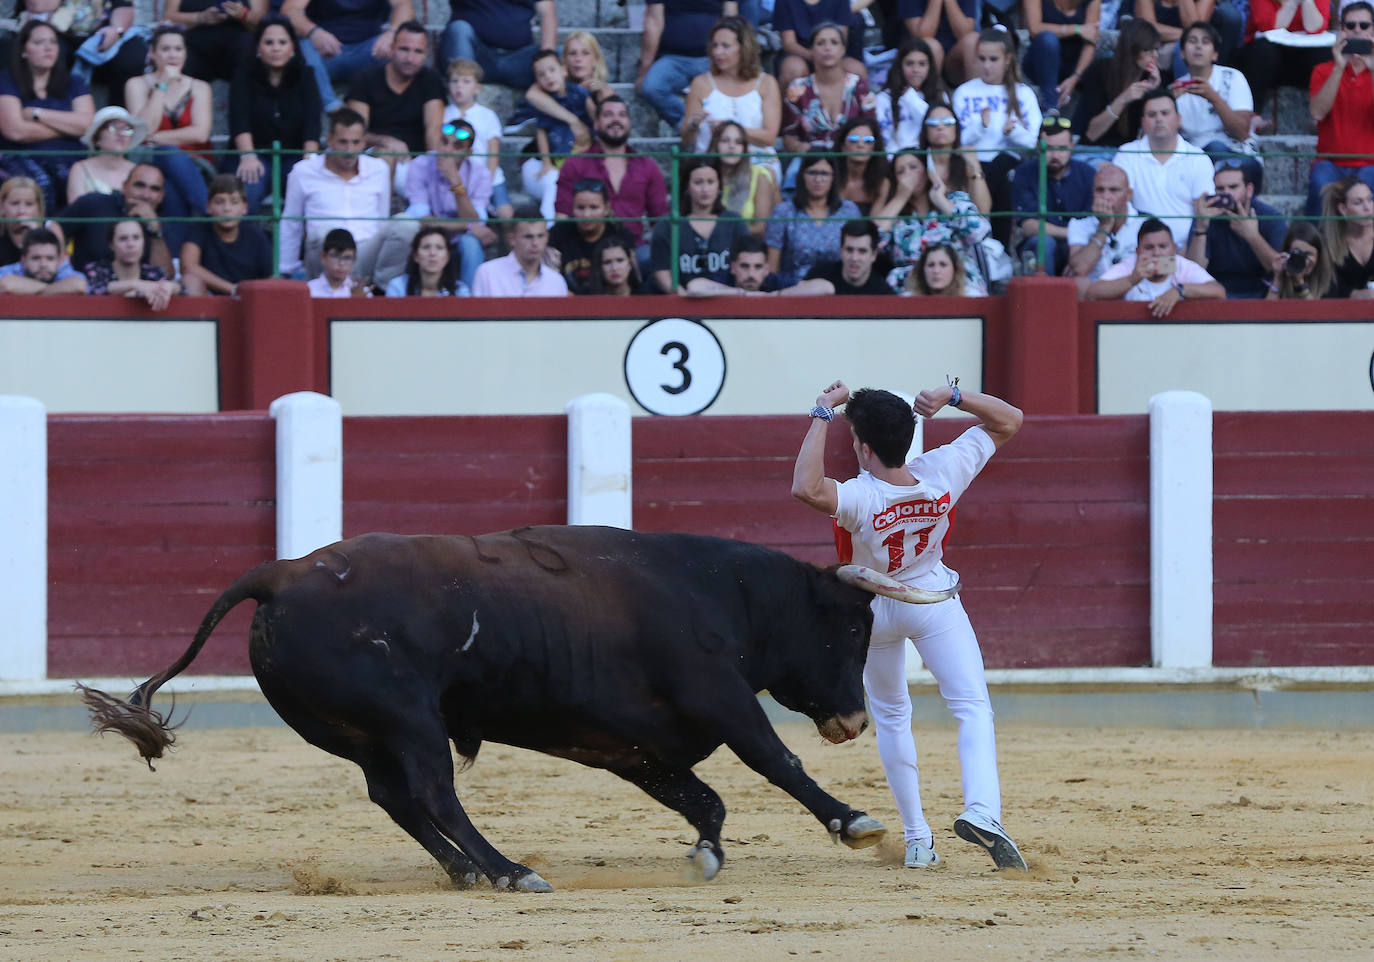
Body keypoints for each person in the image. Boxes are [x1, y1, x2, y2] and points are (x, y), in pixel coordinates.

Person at [790, 377, 1029, 872]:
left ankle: (919, 839)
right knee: (971, 706)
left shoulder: (860, 497)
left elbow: (806, 487)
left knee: (894, 716)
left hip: (872, 609)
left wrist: (822, 411)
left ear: (863, 447)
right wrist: (954, 397)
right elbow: (1010, 420)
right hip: (931, 598)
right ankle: (983, 810)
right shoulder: (943, 470)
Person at [278, 107, 418, 287]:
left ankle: (383, 290)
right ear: (329, 140)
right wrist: (285, 271)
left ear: (364, 142)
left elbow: (381, 219)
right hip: (325, 254)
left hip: (365, 253)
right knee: (321, 234)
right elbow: (291, 222)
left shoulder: (379, 169)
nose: (350, 150)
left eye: (356, 142)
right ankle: (326, 289)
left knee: (406, 224)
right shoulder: (303, 171)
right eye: (343, 142)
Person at [952, 28, 1042, 248]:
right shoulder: (964, 92)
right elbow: (958, 139)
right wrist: (981, 126)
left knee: (1005, 173)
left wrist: (1013, 132)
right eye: (981, 59)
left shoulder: (1023, 93)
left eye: (993, 59)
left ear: (1007, 60)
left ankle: (1001, 249)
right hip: (972, 163)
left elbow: (1033, 142)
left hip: (1007, 164)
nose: (986, 65)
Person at [124, 24, 214, 244]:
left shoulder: (200, 87)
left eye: (178, 49)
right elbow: (144, 128)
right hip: (151, 165)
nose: (173, 55)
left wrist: (154, 139)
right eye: (165, 49)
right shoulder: (136, 84)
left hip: (195, 165)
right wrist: (162, 86)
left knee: (171, 183)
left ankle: (176, 256)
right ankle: (210, 217)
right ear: (152, 54)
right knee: (167, 164)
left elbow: (200, 134)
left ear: (185, 53)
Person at [227, 16, 323, 215]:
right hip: (254, 153)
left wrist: (309, 160)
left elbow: (312, 121)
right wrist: (248, 155)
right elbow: (239, 118)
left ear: (292, 47)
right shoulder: (243, 76)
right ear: (258, 48)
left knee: (310, 193)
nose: (276, 48)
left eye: (282, 42)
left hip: (294, 155)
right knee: (247, 191)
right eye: (269, 42)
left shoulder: (306, 75)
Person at [0, 20, 95, 211]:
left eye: (53, 42)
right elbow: (15, 131)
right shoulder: (7, 80)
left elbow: (89, 125)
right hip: (20, 157)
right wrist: (68, 128)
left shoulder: (74, 82)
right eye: (39, 42)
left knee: (84, 187)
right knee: (42, 186)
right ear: (24, 50)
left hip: (69, 158)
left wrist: (37, 114)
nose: (48, 48)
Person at [555, 97, 670, 252]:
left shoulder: (647, 166)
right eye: (608, 114)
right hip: (586, 249)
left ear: (629, 123)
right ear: (596, 123)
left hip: (633, 249)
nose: (616, 119)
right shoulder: (575, 164)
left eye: (622, 115)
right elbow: (562, 215)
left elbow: (660, 219)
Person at [1110, 88, 1214, 247]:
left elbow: (1203, 212)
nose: (1159, 119)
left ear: (1178, 119)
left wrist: (1185, 252)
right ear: (1143, 122)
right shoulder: (1126, 154)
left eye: (1165, 113)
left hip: (1187, 249)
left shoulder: (1198, 158)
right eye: (1152, 115)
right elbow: (1119, 206)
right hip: (1137, 249)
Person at [345, 20, 444, 182]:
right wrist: (385, 141)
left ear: (427, 54)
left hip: (415, 162)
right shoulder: (365, 79)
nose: (410, 58)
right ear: (392, 48)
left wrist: (435, 168)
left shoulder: (431, 80)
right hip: (372, 158)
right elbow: (354, 133)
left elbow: (434, 130)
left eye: (418, 52)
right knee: (386, 155)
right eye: (404, 49)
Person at [402, 117, 494, 292]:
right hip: (427, 239)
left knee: (471, 244)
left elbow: (477, 223)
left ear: (468, 153)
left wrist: (456, 182)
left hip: (459, 241)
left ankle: (471, 301)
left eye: (457, 146)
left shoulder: (481, 174)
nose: (446, 150)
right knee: (405, 228)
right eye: (444, 142)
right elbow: (423, 220)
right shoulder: (420, 164)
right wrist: (466, 225)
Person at [682, 16, 782, 175]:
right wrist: (693, 126)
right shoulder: (700, 84)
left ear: (744, 48)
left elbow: (769, 137)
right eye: (715, 45)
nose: (717, 52)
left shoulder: (767, 83)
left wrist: (728, 130)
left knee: (761, 176)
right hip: (713, 160)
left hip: (755, 158)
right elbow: (687, 141)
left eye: (725, 46)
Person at [1171, 22, 1259, 186]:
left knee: (1215, 148)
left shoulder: (1232, 77)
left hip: (1237, 155)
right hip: (1193, 159)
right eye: (1192, 41)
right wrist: (1169, 104)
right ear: (1182, 53)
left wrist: (1213, 97)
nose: (1198, 46)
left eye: (1205, 42)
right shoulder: (1175, 89)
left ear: (1215, 55)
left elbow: (1241, 133)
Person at [1306, 5, 1374, 217]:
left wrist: (1373, 70)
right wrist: (1339, 67)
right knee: (1320, 183)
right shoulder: (1323, 70)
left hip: (1371, 163)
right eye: (1350, 25)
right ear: (1341, 30)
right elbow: (1317, 113)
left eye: (1364, 25)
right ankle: (1315, 239)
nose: (1357, 30)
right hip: (1330, 163)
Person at [283, 0, 411, 112]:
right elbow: (289, 10)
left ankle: (388, 111)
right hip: (325, 50)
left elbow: (404, 4)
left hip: (370, 50)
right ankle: (333, 109)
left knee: (402, 45)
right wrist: (313, 32)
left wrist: (393, 32)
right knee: (303, 46)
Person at [1085, 216, 1226, 316]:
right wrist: (1131, 280)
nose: (1157, 253)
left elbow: (1219, 292)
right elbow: (1092, 293)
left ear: (1174, 249)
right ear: (1138, 251)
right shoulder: (1130, 265)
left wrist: (1179, 291)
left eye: (1163, 246)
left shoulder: (1181, 265)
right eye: (1149, 247)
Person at [780, 22, 875, 168]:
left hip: (852, 161)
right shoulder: (797, 89)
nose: (827, 48)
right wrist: (815, 155)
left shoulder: (860, 86)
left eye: (834, 42)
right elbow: (789, 138)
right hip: (810, 162)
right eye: (820, 43)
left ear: (843, 49)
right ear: (811, 50)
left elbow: (872, 130)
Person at [513, 48, 592, 224]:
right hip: (552, 159)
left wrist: (596, 85)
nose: (548, 77)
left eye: (552, 70)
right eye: (541, 74)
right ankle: (549, 227)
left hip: (576, 157)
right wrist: (546, 162)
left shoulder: (580, 95)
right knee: (555, 181)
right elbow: (541, 131)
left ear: (564, 70)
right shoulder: (545, 102)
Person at [1184, 159, 1284, 298]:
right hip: (1216, 295)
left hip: (1262, 294)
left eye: (1233, 187)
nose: (1227, 193)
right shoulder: (1206, 216)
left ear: (1249, 190)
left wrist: (1252, 236)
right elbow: (1193, 273)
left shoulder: (1270, 217)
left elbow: (1280, 269)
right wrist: (1201, 229)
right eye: (1220, 189)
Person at [1011, 113, 1095, 274]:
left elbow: (1094, 223)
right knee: (1044, 243)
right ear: (1038, 146)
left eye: (1062, 148)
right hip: (1044, 245)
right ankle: (1044, 290)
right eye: (1049, 148)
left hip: (1081, 244)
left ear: (1072, 146)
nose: (1055, 155)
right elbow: (1030, 227)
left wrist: (1077, 242)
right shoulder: (1024, 173)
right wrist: (1073, 234)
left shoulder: (1088, 174)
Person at [650, 156, 749, 292]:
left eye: (710, 182)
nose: (705, 189)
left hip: (729, 300)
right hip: (682, 301)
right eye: (698, 182)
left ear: (719, 185)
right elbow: (662, 272)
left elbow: (747, 265)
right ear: (687, 186)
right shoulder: (667, 225)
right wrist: (682, 297)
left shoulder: (735, 222)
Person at [56, 162, 173, 277]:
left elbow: (164, 276)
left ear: (161, 196)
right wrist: (62, 270)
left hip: (139, 289)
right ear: (124, 186)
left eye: (154, 189)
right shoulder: (94, 203)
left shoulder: (164, 223)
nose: (146, 195)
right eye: (139, 185)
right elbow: (54, 227)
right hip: (87, 287)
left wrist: (155, 232)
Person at [637, 0, 738, 131]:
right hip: (672, 58)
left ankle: (718, 130)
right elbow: (653, 23)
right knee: (651, 87)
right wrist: (644, 70)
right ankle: (691, 126)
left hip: (714, 57)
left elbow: (731, 20)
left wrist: (731, 58)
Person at [765, 151, 862, 286]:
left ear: (833, 177)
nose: (818, 179)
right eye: (812, 173)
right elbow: (772, 268)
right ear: (802, 176)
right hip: (793, 289)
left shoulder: (849, 211)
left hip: (839, 288)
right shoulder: (783, 212)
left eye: (824, 174)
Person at [1073, 18, 1162, 155]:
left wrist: (1153, 95)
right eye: (1148, 50)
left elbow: (1149, 142)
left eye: (1156, 49)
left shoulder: (1152, 79)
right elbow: (1091, 134)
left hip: (1128, 154)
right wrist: (1123, 99)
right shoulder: (1100, 71)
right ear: (1131, 49)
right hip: (1093, 150)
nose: (1155, 56)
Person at [443, 58, 511, 225]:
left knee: (506, 213)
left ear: (478, 88)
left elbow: (493, 153)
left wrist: (487, 182)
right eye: (454, 81)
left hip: (488, 177)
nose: (459, 86)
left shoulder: (488, 116)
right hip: (455, 176)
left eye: (466, 81)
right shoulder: (443, 114)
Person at [180, 174, 274, 295]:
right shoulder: (198, 229)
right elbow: (188, 267)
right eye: (219, 202)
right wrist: (233, 289)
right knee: (190, 281)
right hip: (208, 298)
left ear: (245, 208)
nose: (226, 208)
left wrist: (244, 293)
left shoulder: (256, 235)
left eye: (234, 202)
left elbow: (270, 278)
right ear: (208, 207)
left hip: (247, 299)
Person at [1237, 0, 1331, 117]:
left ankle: (1319, 116)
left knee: (1325, 55)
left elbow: (1316, 28)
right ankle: (1253, 114)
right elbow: (1269, 27)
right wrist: (1292, 3)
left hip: (1302, 56)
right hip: (1266, 57)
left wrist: (1307, 2)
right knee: (1264, 51)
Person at [1065, 162, 1149, 288]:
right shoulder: (1079, 224)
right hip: (1094, 294)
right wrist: (1104, 227)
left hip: (1136, 292)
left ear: (1128, 195)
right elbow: (1079, 268)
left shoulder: (1147, 223)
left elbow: (1163, 267)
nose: (1106, 197)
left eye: (1113, 190)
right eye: (1100, 190)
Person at [441, 0, 557, 87]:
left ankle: (555, 108)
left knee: (560, 57)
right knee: (459, 29)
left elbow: (547, 12)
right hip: (477, 58)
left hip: (517, 59)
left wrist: (546, 56)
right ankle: (464, 102)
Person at [471, 204, 569, 296]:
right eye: (528, 237)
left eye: (540, 236)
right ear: (512, 239)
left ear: (547, 237)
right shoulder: (487, 274)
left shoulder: (556, 281)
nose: (535, 243)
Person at [82, 218, 179, 309]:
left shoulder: (153, 272)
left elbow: (182, 289)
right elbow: (95, 288)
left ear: (144, 242)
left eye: (136, 237)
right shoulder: (97, 270)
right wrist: (136, 284)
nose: (130, 244)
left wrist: (170, 287)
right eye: (123, 238)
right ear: (111, 244)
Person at [161, 0, 266, 83]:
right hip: (193, 50)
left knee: (248, 48)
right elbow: (167, 19)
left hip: (236, 54)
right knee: (175, 52)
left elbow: (264, 23)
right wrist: (199, 18)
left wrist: (243, 14)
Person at [1135, 0, 1244, 79]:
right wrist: (1187, 35)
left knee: (1186, 47)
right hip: (1157, 47)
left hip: (1184, 48)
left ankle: (1188, 91)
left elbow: (1195, 27)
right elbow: (1148, 29)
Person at [1022, 0, 1101, 110]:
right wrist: (1077, 29)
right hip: (1040, 62)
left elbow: (1091, 39)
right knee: (1048, 40)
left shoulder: (1093, 1)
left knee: (1100, 69)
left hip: (1073, 65)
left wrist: (1075, 77)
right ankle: (1051, 106)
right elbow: (1034, 29)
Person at [875, 36, 949, 151]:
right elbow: (883, 139)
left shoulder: (939, 95)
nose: (916, 70)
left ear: (930, 67)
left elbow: (939, 126)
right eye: (909, 64)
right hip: (894, 158)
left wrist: (911, 98)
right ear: (900, 66)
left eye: (922, 64)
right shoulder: (884, 98)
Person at [547, 177, 619, 294]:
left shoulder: (618, 234)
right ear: (573, 208)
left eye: (593, 207)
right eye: (580, 207)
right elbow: (548, 278)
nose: (586, 214)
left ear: (606, 209)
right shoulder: (557, 234)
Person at [774, 0, 868, 89]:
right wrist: (815, 55)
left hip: (833, 52)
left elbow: (841, 38)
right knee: (795, 70)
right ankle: (786, 101)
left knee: (857, 70)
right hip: (799, 53)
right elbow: (789, 43)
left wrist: (829, 55)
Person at [787, 218, 895, 294]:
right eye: (849, 250)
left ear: (874, 255)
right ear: (841, 250)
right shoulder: (819, 274)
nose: (854, 258)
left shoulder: (883, 293)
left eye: (862, 251)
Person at [710, 120, 779, 236]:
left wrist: (724, 234)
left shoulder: (759, 176)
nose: (731, 146)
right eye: (725, 141)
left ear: (744, 148)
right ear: (715, 144)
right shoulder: (704, 174)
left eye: (738, 142)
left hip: (745, 243)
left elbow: (760, 228)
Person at [65, 105, 146, 203]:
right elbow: (76, 209)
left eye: (127, 129)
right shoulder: (80, 169)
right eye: (114, 127)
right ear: (97, 138)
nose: (121, 134)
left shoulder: (138, 171)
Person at [897, 0, 983, 86]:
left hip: (954, 62)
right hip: (924, 59)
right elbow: (923, 35)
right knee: (931, 45)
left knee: (973, 40)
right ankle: (928, 92)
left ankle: (976, 92)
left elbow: (965, 33)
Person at [1320, 176, 1374, 298]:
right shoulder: (1328, 242)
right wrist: (1356, 295)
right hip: (1341, 309)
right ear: (1343, 209)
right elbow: (1325, 289)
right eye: (1358, 202)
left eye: (1370, 199)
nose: (1368, 208)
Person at [682, 233, 784, 294]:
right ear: (733, 267)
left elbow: (795, 288)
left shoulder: (773, 281)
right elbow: (694, 287)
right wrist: (741, 293)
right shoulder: (725, 280)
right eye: (744, 266)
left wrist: (775, 295)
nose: (751, 274)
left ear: (766, 269)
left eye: (758, 267)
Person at [385, 224, 468, 296]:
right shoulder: (398, 287)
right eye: (426, 247)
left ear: (447, 257)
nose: (432, 253)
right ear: (415, 256)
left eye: (439, 248)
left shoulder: (460, 291)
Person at [0, 225, 86, 294]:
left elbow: (80, 285)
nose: (43, 264)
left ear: (59, 261)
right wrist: (53, 288)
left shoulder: (63, 270)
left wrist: (33, 289)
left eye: (50, 258)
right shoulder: (14, 269)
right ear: (24, 260)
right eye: (36, 258)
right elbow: (4, 284)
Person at [0, 174, 64, 265]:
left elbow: (59, 267)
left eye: (29, 204)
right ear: (2, 207)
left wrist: (37, 233)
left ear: (38, 208)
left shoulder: (51, 228)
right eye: (15, 203)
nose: (21, 211)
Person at [833, 116, 891, 216]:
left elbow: (875, 223)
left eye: (868, 141)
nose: (860, 145)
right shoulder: (830, 177)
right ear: (843, 147)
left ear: (874, 148)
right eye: (853, 140)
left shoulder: (881, 183)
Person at [1264, 221, 1334, 300]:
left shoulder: (1329, 282)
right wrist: (1278, 278)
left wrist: (1300, 283)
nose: (1303, 259)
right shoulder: (1276, 275)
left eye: (1308, 254)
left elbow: (1315, 308)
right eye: (1297, 252)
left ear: (1318, 257)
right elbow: (1268, 307)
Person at [308, 227, 370, 296]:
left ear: (354, 259)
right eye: (335, 256)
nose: (341, 263)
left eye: (347, 258)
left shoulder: (362, 292)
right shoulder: (308, 289)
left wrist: (359, 300)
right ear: (323, 257)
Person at [905, 237, 973, 293]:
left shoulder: (971, 299)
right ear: (922, 269)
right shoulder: (907, 300)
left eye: (943, 265)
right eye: (931, 265)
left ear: (955, 269)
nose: (936, 271)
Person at [588, 230, 645, 295]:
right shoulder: (587, 296)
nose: (614, 268)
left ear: (630, 264)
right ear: (600, 267)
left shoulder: (644, 295)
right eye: (607, 262)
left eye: (620, 260)